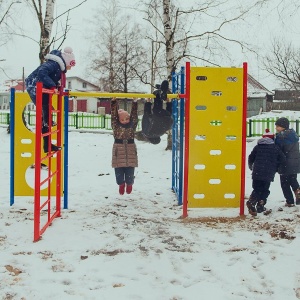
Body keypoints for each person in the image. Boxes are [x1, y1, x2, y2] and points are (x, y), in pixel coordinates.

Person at [25, 47, 76, 153]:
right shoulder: (53, 64)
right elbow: (42, 72)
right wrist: (52, 84)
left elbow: (49, 77)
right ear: (66, 61)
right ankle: (46, 130)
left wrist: (55, 84)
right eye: (69, 65)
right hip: (34, 85)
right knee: (46, 110)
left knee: (47, 112)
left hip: (42, 87)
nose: (70, 68)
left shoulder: (58, 67)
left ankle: (47, 145)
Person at [247, 129, 286, 216]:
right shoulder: (275, 147)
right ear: (272, 138)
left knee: (257, 188)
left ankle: (252, 202)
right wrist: (276, 167)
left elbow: (251, 157)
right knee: (265, 189)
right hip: (268, 173)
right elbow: (283, 158)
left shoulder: (257, 147)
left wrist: (251, 166)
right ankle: (260, 204)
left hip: (257, 172)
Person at [111, 97, 139, 195]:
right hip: (118, 151)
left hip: (130, 150)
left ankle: (129, 184)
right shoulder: (116, 126)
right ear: (118, 120)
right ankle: (121, 184)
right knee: (119, 174)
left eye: (127, 118)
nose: (125, 120)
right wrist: (114, 102)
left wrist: (134, 102)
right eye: (122, 119)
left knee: (130, 174)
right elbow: (114, 116)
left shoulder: (132, 126)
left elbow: (134, 116)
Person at [274, 117, 300, 207]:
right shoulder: (293, 134)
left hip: (284, 162)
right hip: (295, 162)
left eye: (278, 126)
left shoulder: (281, 136)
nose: (276, 128)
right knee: (292, 179)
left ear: (283, 126)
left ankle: (289, 201)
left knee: (284, 183)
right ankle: (298, 190)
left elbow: (277, 150)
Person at [141, 80, 173, 144]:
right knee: (157, 110)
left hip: (167, 117)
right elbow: (146, 116)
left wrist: (169, 103)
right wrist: (148, 103)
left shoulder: (161, 133)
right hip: (158, 116)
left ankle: (161, 92)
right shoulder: (146, 132)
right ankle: (160, 93)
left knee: (163, 113)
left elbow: (169, 122)